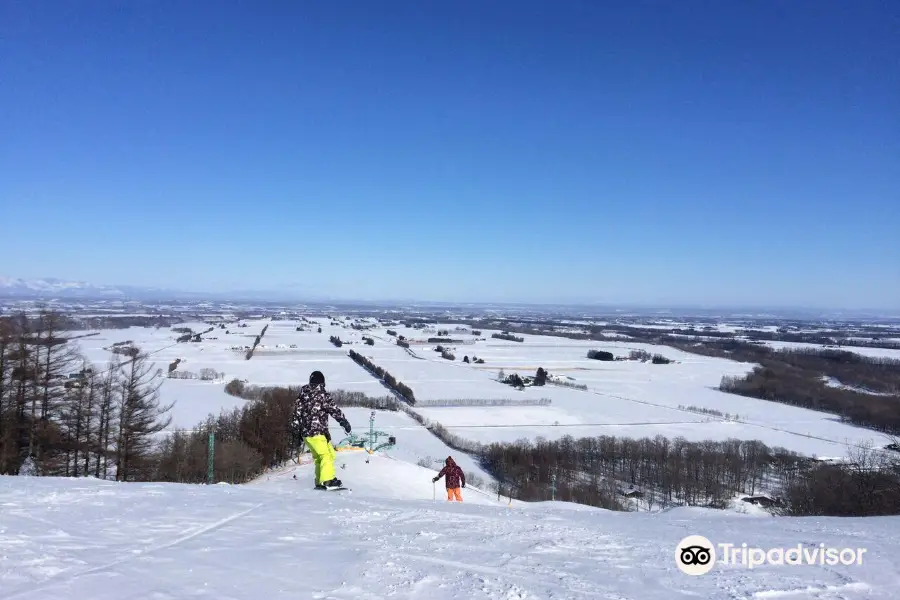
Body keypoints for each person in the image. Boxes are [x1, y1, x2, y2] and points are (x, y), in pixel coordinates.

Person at [293, 371, 352, 489]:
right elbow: (334, 410)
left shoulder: (302, 395)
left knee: (327, 454)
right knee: (325, 455)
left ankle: (321, 480)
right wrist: (344, 422)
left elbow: (296, 414)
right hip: (316, 432)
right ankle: (327, 480)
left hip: (307, 434)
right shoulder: (322, 395)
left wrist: (296, 433)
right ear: (322, 383)